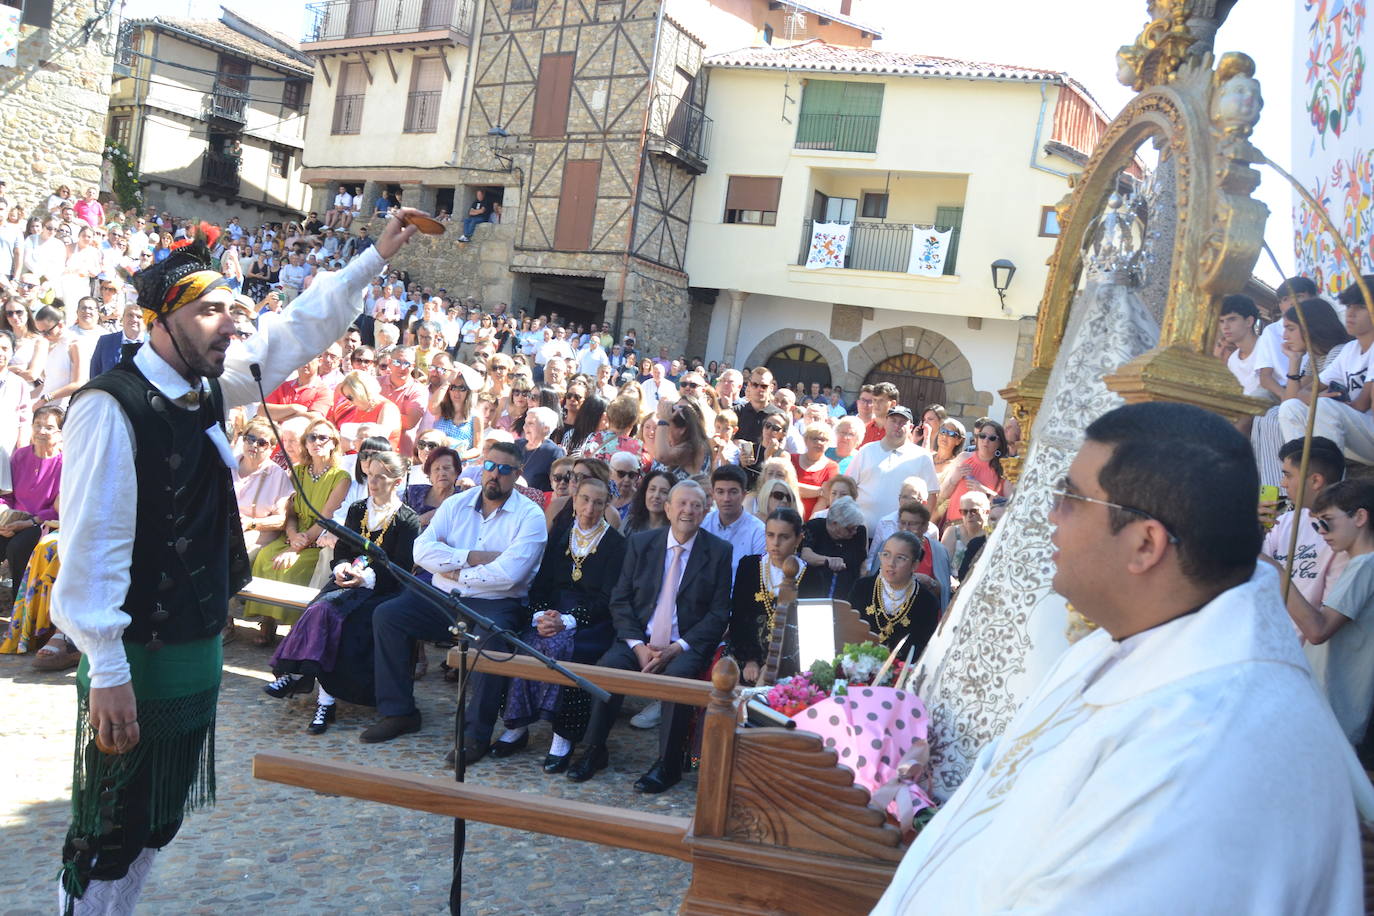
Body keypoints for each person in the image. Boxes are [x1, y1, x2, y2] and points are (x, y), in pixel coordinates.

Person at [49, 210, 418, 913]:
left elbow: (296, 332)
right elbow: (92, 546)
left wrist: (370, 258)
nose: (229, 324)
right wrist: (108, 671)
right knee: (107, 829)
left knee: (157, 822)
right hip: (134, 655)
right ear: (160, 317)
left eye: (234, 310)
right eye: (210, 309)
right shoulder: (110, 405)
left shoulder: (208, 387)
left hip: (193, 646)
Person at [873, 401, 1366, 913]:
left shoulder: (1209, 746)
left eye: (1071, 498)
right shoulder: (1116, 646)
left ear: (1145, 544)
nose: (1050, 514)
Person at [364, 441, 548, 760]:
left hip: (496, 603)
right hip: (442, 596)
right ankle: (399, 712)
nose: (495, 474)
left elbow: (510, 574)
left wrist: (455, 572)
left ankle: (475, 735)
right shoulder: (457, 504)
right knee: (388, 615)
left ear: (517, 475)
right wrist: (471, 557)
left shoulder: (530, 516)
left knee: (492, 646)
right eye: (490, 466)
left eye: (505, 469)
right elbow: (421, 551)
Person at [567, 480, 732, 793]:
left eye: (696, 505)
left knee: (680, 683)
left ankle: (668, 764)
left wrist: (676, 648)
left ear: (705, 511)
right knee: (609, 670)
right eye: (681, 503)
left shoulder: (719, 551)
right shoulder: (642, 543)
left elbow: (718, 613)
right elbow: (620, 598)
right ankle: (594, 749)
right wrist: (638, 646)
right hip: (638, 639)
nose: (688, 510)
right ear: (667, 509)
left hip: (684, 644)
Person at [266, 451, 420, 734]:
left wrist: (366, 577)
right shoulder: (358, 509)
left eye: (381, 477)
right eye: (370, 475)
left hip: (382, 590)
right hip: (347, 580)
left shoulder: (408, 520)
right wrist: (342, 567)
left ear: (397, 481)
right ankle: (304, 680)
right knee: (319, 609)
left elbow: (399, 567)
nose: (373, 482)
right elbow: (343, 548)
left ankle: (317, 693)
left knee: (339, 623)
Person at [498, 476, 627, 770]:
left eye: (598, 502)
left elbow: (608, 598)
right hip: (552, 613)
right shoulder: (560, 534)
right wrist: (540, 615)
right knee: (525, 643)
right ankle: (518, 726)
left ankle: (562, 734)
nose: (590, 507)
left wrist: (568, 621)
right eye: (584, 499)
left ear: (606, 505)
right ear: (575, 500)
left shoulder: (616, 545)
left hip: (590, 622)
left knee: (564, 651)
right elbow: (541, 583)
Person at [240, 418, 352, 643]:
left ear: (333, 443)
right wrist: (291, 536)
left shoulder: (341, 477)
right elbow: (289, 512)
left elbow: (325, 518)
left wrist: (297, 547)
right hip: (294, 534)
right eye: (312, 437)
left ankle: (297, 629)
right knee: (265, 558)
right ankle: (268, 621)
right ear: (306, 443)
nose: (317, 442)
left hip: (317, 538)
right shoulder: (297, 471)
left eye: (323, 437)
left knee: (294, 568)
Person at [1278, 275, 1374, 464]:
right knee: (1291, 408)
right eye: (1349, 307)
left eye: (1360, 307)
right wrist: (1320, 398)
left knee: (1324, 406)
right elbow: (1304, 393)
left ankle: (1329, 481)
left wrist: (1327, 403)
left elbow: (1363, 405)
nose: (1350, 314)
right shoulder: (1350, 350)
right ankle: (1306, 472)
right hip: (1359, 433)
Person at [730, 507, 829, 684]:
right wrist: (750, 660)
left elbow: (811, 631)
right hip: (749, 656)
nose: (776, 543)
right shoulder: (750, 566)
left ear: (798, 539)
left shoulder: (813, 577)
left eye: (784, 537)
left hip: (790, 661)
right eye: (770, 535)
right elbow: (740, 616)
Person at [1262, 437, 1346, 612]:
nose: (1282, 484)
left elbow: (1324, 623)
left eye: (1288, 475)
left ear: (1315, 480)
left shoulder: (1346, 534)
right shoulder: (1283, 522)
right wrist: (1253, 534)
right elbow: (1253, 579)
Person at [847, 530, 941, 655]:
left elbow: (921, 648)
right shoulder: (862, 588)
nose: (891, 563)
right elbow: (848, 630)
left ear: (914, 565)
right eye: (886, 554)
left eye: (900, 558)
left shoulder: (926, 602)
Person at [233, 417, 293, 561]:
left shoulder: (277, 475)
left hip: (255, 535)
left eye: (261, 443)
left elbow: (281, 520)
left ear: (272, 448)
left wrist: (251, 522)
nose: (254, 445)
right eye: (250, 438)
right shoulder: (226, 466)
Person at [940, 418, 1010, 526]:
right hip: (954, 527)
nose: (985, 441)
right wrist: (955, 478)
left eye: (992, 438)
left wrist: (985, 491)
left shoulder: (1005, 467)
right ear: (977, 438)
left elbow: (1010, 505)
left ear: (1000, 443)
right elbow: (943, 494)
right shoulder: (964, 457)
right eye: (982, 436)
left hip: (982, 531)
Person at [700, 463, 766, 577]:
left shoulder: (758, 532)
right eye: (720, 492)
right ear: (713, 494)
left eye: (733, 492)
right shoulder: (702, 524)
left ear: (744, 494)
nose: (726, 498)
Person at [799, 495, 867, 598]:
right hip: (814, 591)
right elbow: (806, 555)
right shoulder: (814, 527)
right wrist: (828, 560)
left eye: (856, 527)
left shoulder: (859, 533)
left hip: (847, 594)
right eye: (850, 529)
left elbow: (862, 565)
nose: (854, 532)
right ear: (835, 524)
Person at [403, 444, 459, 529]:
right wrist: (422, 519)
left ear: (456, 472)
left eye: (446, 468)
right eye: (436, 469)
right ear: (429, 474)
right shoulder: (413, 493)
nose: (442, 473)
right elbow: (402, 525)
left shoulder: (462, 499)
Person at [792, 423, 839, 518]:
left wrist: (809, 525)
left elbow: (824, 499)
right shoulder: (791, 459)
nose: (819, 442)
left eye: (823, 440)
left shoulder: (832, 467)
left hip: (813, 520)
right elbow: (788, 486)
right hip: (787, 517)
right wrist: (820, 491)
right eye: (814, 438)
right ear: (806, 440)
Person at [516, 405, 564, 492]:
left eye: (531, 423)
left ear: (546, 428)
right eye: (525, 423)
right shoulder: (517, 444)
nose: (525, 427)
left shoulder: (553, 452)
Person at [622, 467, 674, 539]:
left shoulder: (674, 531)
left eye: (664, 492)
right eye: (652, 489)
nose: (656, 496)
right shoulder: (630, 522)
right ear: (645, 492)